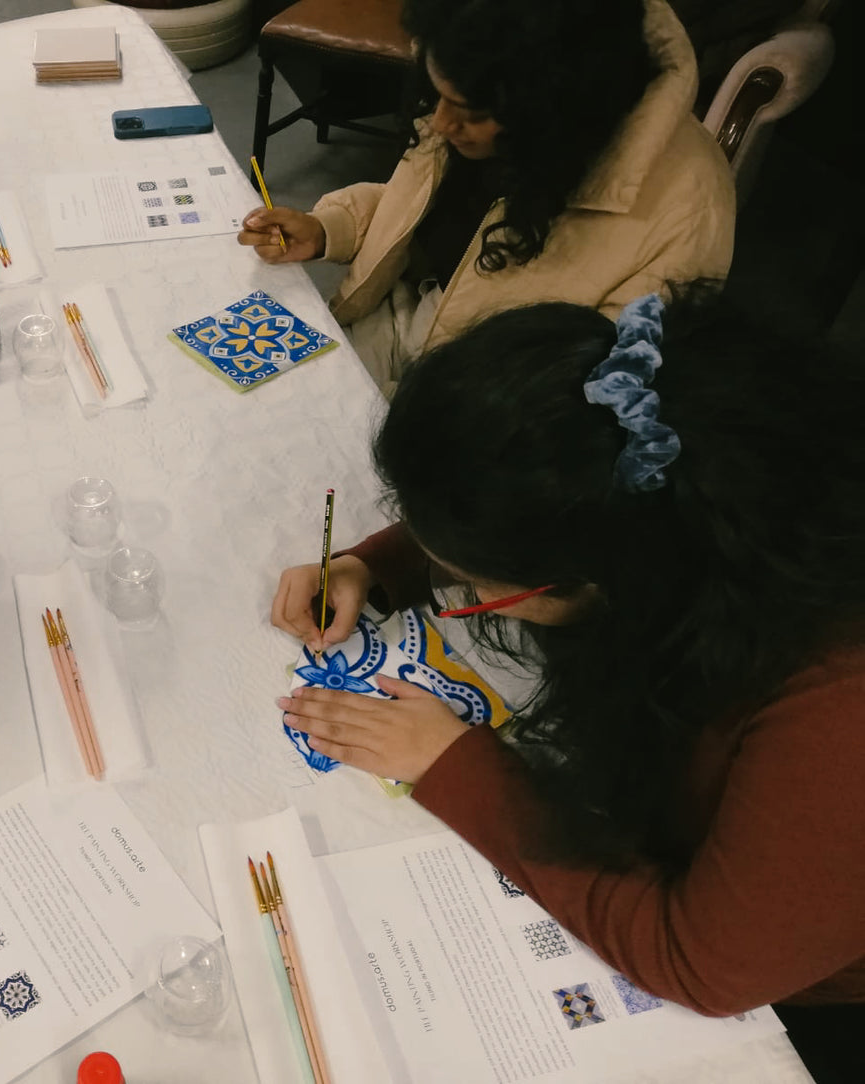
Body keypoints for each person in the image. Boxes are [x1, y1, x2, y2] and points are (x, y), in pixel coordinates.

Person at [269, 287, 865, 1082]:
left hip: (801, 995)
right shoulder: (677, 433)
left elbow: (699, 963)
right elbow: (549, 481)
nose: (469, 601)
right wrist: (373, 563)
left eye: (475, 586)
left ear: (603, 576)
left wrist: (455, 764)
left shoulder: (834, 711)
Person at [237, 0, 735, 396]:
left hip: (482, 415)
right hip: (399, 313)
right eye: (436, 97)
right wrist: (329, 228)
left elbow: (583, 407)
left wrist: (408, 416)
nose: (440, 124)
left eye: (468, 111)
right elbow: (426, 208)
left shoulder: (687, 212)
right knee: (266, 417)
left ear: (554, 110)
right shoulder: (475, 79)